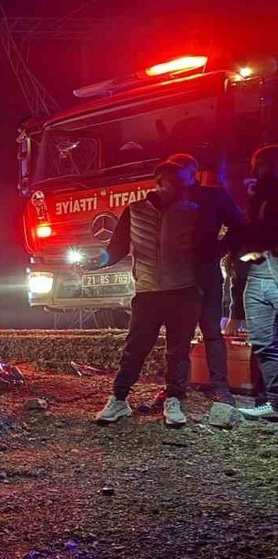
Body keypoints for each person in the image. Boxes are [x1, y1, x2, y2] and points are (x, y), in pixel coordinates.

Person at [94, 161, 201, 428]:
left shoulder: (192, 212)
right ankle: (119, 399)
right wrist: (98, 262)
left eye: (179, 183)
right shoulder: (135, 210)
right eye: (170, 182)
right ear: (159, 182)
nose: (175, 188)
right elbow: (117, 247)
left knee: (178, 351)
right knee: (135, 348)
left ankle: (174, 399)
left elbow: (205, 248)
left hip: (184, 291)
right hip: (148, 292)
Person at [166, 153, 246, 404]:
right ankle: (175, 390)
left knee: (211, 331)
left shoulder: (213, 196)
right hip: (175, 276)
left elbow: (239, 225)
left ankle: (221, 388)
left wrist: (219, 249)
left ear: (192, 172)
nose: (176, 177)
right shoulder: (165, 200)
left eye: (180, 172)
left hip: (205, 273)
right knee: (177, 336)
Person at [236, 145, 278, 420]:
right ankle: (274, 403)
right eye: (260, 166)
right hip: (257, 272)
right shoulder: (256, 196)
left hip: (272, 266)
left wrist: (265, 249)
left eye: (266, 165)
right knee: (263, 342)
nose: (262, 171)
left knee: (267, 342)